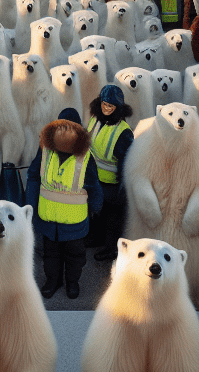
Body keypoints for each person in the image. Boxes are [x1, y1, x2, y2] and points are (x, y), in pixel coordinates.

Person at [26, 107, 102, 300]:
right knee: (50, 254)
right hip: (48, 217)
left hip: (74, 222)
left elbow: (93, 184)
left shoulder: (85, 157)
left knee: (75, 256)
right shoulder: (45, 150)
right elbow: (34, 176)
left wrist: (96, 205)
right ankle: (53, 281)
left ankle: (72, 282)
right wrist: (30, 204)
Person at [85, 85, 134, 263]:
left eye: (111, 107)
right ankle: (96, 238)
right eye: (104, 104)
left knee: (112, 218)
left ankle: (112, 248)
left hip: (113, 183)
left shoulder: (123, 132)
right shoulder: (95, 120)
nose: (106, 109)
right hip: (94, 179)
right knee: (97, 211)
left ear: (118, 109)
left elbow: (126, 163)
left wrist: (123, 188)